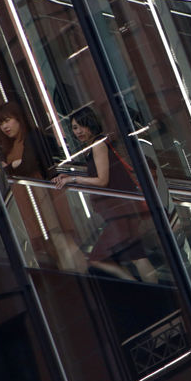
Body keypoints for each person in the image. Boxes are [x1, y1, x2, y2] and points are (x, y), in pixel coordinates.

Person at [53, 107, 158, 283]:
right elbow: (99, 173)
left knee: (97, 257)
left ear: (91, 124)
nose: (78, 131)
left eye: (81, 126)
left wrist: (74, 178)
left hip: (119, 212)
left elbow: (102, 180)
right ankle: (155, 292)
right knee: (137, 256)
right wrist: (71, 176)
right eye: (74, 127)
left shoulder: (98, 145)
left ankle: (139, 287)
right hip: (124, 209)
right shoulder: (98, 145)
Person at [0, 101, 80, 269]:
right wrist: (15, 165)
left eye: (7, 120)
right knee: (49, 246)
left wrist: (12, 167)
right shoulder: (9, 146)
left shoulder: (33, 136)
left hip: (42, 194)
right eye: (1, 123)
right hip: (27, 198)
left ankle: (80, 276)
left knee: (60, 239)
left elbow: (28, 164)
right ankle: (73, 276)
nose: (5, 126)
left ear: (19, 118)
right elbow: (6, 169)